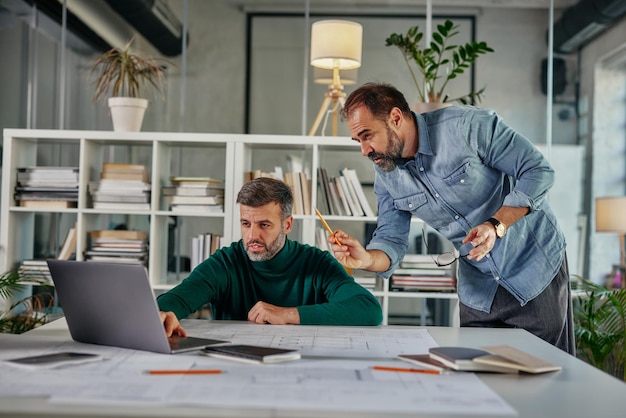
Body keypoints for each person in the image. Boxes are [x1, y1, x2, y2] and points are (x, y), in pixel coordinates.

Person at [328, 82, 574, 354]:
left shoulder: (466, 126)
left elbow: (537, 170)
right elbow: (390, 238)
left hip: (533, 269)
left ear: (395, 118)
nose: (364, 150)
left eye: (367, 135)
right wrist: (367, 258)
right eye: (358, 141)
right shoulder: (387, 175)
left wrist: (496, 225)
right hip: (479, 291)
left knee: (544, 378)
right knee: (478, 383)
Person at [158, 177, 382, 337]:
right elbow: (177, 299)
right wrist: (162, 314)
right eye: (246, 224)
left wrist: (288, 315)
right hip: (234, 367)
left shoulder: (317, 263)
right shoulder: (225, 263)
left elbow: (368, 309)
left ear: (287, 224)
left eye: (264, 225)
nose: (252, 235)